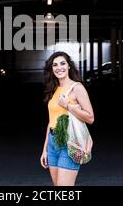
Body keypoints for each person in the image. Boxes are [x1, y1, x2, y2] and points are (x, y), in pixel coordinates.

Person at [40, 51, 94, 186]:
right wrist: (45, 149)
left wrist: (68, 105)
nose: (59, 68)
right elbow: (51, 121)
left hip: (69, 142)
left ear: (69, 66)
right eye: (55, 65)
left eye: (63, 63)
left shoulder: (77, 88)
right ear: (51, 69)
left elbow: (90, 118)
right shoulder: (54, 88)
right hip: (53, 143)